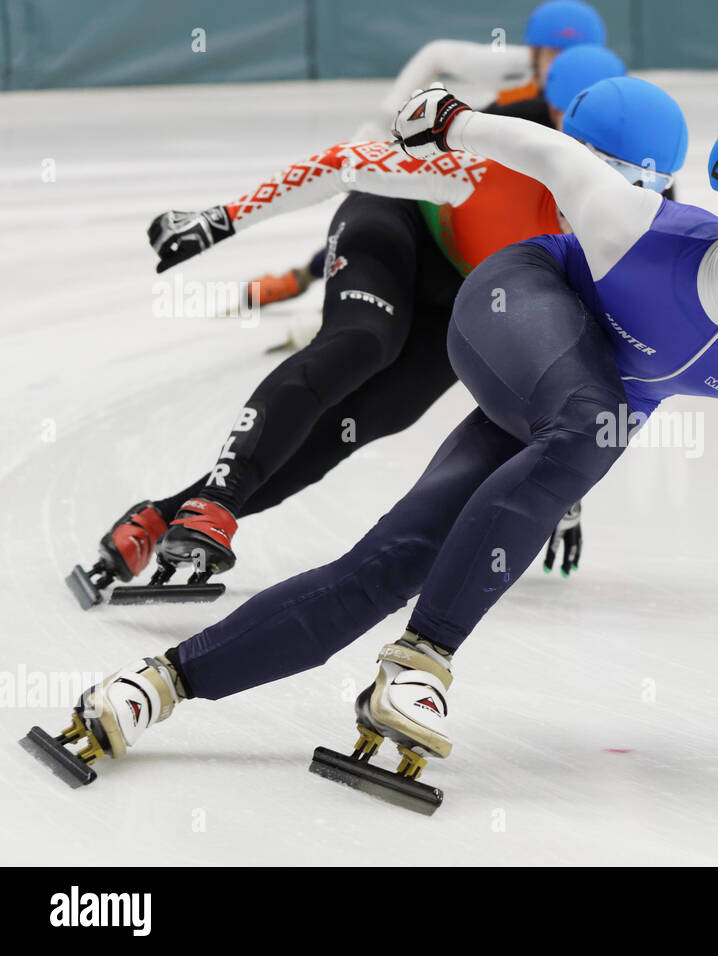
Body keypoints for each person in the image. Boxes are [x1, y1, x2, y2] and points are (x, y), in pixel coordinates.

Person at [37, 81, 718, 802]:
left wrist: (552, 487)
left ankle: (153, 687)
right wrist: (450, 117)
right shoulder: (630, 225)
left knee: (392, 562)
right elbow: (549, 154)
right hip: (514, 305)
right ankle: (420, 665)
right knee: (587, 418)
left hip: (566, 407)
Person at [68, 57, 648, 610]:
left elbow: (586, 367)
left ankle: (161, 518)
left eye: (628, 191)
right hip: (393, 228)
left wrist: (565, 485)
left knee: (370, 420)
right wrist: (219, 219)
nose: (598, 207)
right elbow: (344, 163)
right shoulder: (495, 172)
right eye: (591, 179)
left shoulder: (635, 241)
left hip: (467, 293)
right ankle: (215, 502)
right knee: (363, 341)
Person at [249, 0, 607, 307]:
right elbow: (437, 55)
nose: (563, 66)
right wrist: (386, 121)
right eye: (554, 54)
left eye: (575, 57)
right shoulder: (514, 74)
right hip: (485, 144)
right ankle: (312, 274)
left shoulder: (595, 91)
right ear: (533, 54)